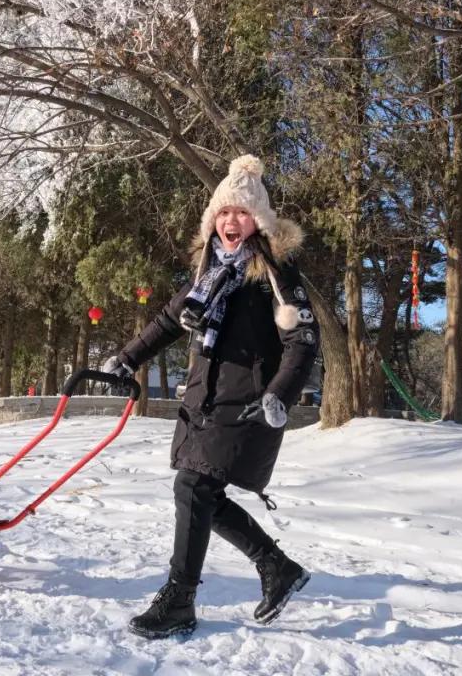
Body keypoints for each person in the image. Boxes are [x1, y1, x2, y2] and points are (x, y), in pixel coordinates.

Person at [106, 155, 319, 639]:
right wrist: (126, 358)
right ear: (212, 220)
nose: (231, 221)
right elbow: (166, 321)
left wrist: (279, 395)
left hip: (248, 400)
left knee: (194, 489)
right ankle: (277, 568)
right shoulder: (208, 274)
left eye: (241, 213)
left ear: (258, 221)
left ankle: (180, 599)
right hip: (205, 396)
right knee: (204, 492)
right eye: (224, 212)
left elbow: (302, 341)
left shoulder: (274, 274)